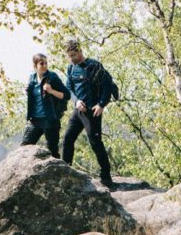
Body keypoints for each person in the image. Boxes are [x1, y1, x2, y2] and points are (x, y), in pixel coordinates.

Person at [61, 39, 115, 188]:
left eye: (74, 55)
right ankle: (65, 173)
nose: (72, 58)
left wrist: (101, 104)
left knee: (95, 143)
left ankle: (106, 177)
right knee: (67, 139)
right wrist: (76, 101)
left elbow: (107, 86)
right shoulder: (71, 68)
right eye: (69, 56)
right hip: (78, 111)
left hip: (93, 112)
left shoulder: (94, 66)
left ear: (80, 51)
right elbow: (69, 88)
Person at [21, 53, 69, 158]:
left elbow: (67, 95)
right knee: (24, 147)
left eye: (46, 63)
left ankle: (58, 173)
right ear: (35, 66)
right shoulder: (32, 78)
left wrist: (51, 91)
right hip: (35, 120)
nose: (44, 66)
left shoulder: (52, 77)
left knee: (52, 152)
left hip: (50, 120)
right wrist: (28, 91)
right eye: (41, 63)